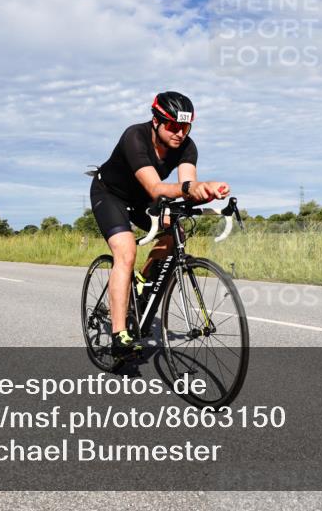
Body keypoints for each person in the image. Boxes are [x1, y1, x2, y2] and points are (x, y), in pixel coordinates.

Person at [90, 92, 229, 360]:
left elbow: (188, 186)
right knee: (125, 251)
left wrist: (206, 190)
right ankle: (120, 335)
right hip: (111, 195)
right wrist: (191, 187)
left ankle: (141, 283)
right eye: (173, 126)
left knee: (176, 230)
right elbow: (156, 188)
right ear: (156, 121)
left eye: (185, 127)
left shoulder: (187, 147)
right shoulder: (135, 137)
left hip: (143, 200)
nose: (180, 133)